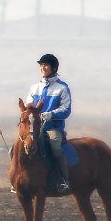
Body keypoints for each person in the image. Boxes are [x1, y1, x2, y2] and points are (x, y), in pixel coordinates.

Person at [26, 53, 72, 193]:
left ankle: (63, 181)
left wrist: (50, 114)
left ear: (53, 68)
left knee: (56, 146)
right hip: (35, 128)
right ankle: (18, 180)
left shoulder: (62, 88)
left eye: (45, 65)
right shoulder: (35, 88)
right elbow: (29, 105)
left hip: (53, 128)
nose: (43, 68)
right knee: (16, 147)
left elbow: (66, 109)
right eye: (41, 65)